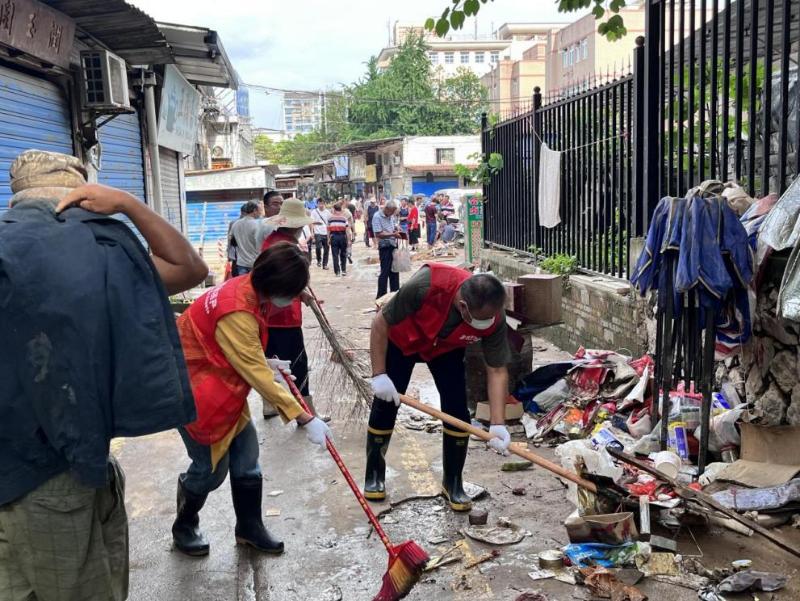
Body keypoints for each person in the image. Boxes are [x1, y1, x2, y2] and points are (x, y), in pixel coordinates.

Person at [0, 150, 208, 600]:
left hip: (23, 469)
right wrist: (128, 204)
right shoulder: (100, 255)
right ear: (80, 199)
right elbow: (189, 268)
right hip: (60, 474)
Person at [173, 242, 333, 557]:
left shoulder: (249, 288)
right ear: (276, 286)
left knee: (247, 461)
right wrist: (304, 417)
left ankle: (249, 527)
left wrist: (264, 362)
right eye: (292, 292)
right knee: (210, 470)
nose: (292, 299)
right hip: (196, 393)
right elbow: (256, 375)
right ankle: (184, 523)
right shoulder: (237, 310)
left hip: (223, 385)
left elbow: (243, 354)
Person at [364, 265, 512, 512]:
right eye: (481, 320)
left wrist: (498, 424)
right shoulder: (425, 285)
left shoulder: (494, 315)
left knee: (457, 411)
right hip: (402, 340)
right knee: (386, 403)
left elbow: (497, 370)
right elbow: (380, 323)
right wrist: (379, 374)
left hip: (446, 349)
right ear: (463, 307)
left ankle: (453, 483)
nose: (486, 324)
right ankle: (374, 474)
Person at [256, 198, 325, 421]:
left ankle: (269, 405)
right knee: (298, 365)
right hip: (284, 316)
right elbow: (281, 282)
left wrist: (301, 293)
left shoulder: (272, 241)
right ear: (297, 225)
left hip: (268, 315)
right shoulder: (286, 247)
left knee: (271, 361)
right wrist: (299, 291)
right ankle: (307, 413)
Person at [372, 198, 401, 299]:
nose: (392, 214)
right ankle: (381, 296)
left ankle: (395, 294)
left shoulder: (390, 216)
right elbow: (378, 234)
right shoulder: (377, 216)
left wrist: (396, 230)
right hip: (385, 246)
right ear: (387, 209)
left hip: (393, 245)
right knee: (385, 271)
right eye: (391, 212)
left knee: (395, 271)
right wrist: (393, 234)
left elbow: (392, 227)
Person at [229, 201, 265, 275]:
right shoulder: (257, 224)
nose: (261, 213)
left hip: (241, 263)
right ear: (254, 210)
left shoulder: (236, 224)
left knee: (243, 282)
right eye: (260, 210)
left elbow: (231, 240)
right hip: (255, 262)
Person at [328, 200, 352, 277]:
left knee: (335, 255)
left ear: (334, 209)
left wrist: (328, 239)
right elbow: (347, 231)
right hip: (342, 237)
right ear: (340, 209)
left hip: (333, 237)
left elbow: (328, 230)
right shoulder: (344, 219)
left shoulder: (330, 219)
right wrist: (349, 240)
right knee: (343, 254)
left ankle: (337, 272)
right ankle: (343, 270)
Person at [227, 203, 248, 278]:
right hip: (237, 251)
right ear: (242, 212)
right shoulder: (234, 223)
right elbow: (230, 238)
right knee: (237, 273)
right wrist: (229, 253)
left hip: (246, 252)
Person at [311, 199, 330, 269]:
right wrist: (312, 232)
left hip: (326, 233)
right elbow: (312, 222)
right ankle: (319, 259)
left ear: (324, 204)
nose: (321, 205)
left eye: (322, 203)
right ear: (317, 204)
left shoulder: (327, 212)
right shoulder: (314, 212)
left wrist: (330, 234)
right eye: (319, 204)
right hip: (317, 232)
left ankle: (325, 264)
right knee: (318, 247)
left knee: (326, 249)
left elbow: (329, 223)